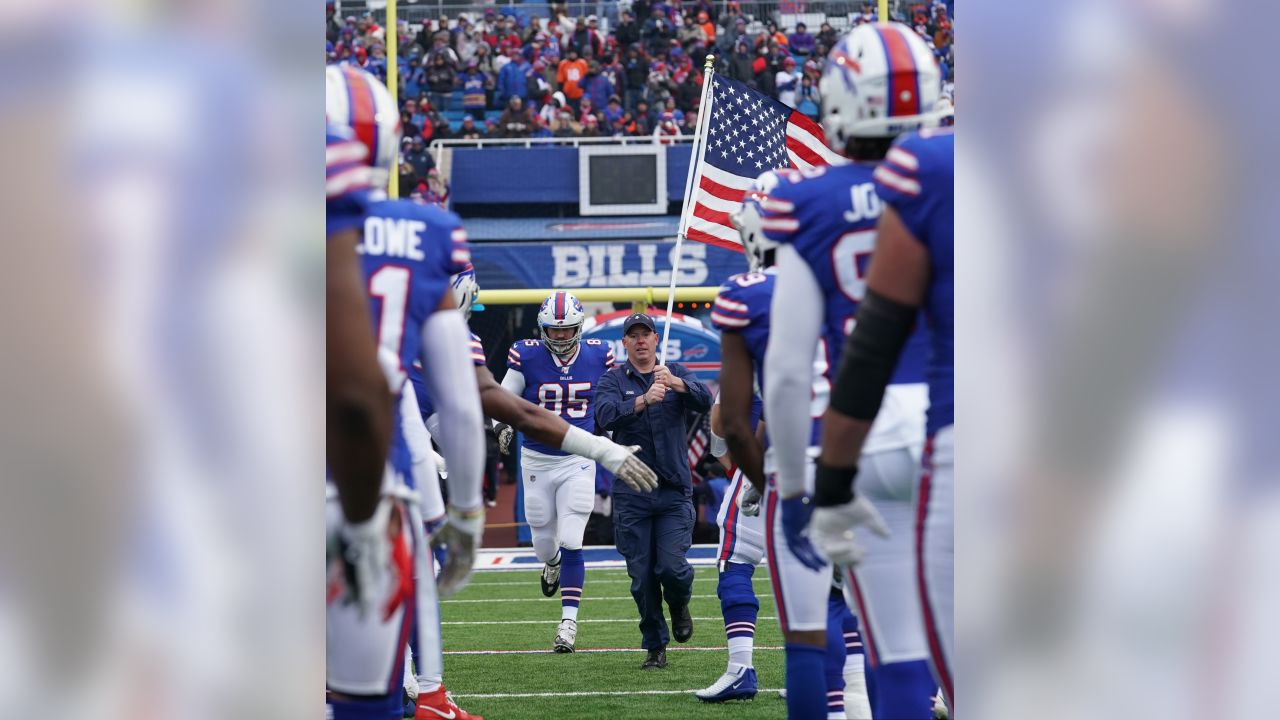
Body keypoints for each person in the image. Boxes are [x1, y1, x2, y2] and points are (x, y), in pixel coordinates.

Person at [761, 23, 941, 719]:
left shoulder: (809, 201)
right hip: (952, 424)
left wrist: (800, 488)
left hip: (860, 438)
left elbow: (784, 371)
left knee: (894, 653)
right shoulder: (960, 174)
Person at [327, 65, 487, 720]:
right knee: (372, 706)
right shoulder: (425, 233)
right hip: (365, 495)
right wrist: (469, 514)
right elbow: (459, 404)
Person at [704, 171, 871, 719]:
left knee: (808, 627)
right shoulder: (863, 276)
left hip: (799, 463)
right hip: (881, 453)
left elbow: (731, 420)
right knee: (891, 625)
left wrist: (763, 481)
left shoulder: (749, 294)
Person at [810, 99, 955, 720]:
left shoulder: (923, 171)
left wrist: (826, 478)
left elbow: (868, 340)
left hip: (904, 430)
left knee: (902, 650)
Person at [490, 292, 660, 653]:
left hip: (578, 458)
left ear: (579, 329)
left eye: (568, 331)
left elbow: (608, 405)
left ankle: (568, 622)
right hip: (536, 457)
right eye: (556, 330)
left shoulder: (599, 354)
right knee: (543, 543)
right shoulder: (527, 353)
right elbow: (504, 396)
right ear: (543, 329)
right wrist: (500, 424)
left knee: (572, 538)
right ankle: (550, 564)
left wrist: (615, 443)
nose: (562, 337)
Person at [595, 313, 712, 669]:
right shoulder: (612, 379)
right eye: (634, 335)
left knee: (673, 568)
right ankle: (655, 646)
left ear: (656, 340)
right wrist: (643, 400)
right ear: (625, 343)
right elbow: (603, 416)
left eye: (646, 334)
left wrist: (677, 385)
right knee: (642, 576)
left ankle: (679, 604)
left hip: (674, 491)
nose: (641, 340)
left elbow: (705, 400)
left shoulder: (674, 371)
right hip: (633, 492)